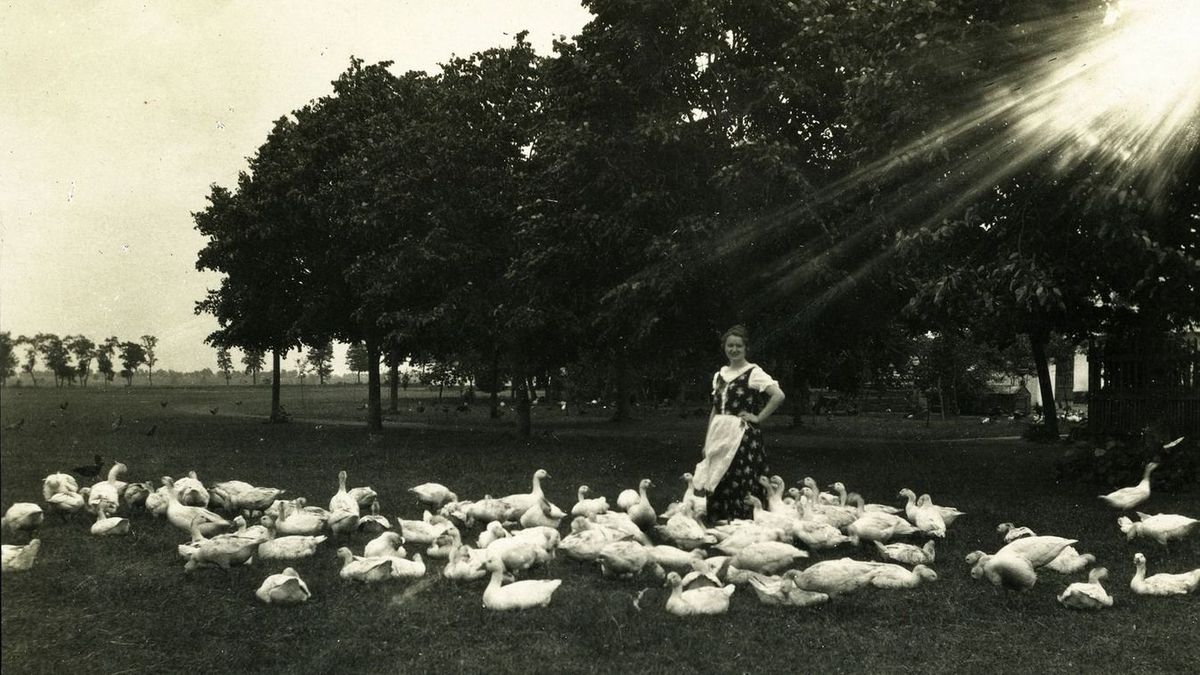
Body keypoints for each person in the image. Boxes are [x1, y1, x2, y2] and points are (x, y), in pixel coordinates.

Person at [692, 325, 786, 523]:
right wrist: (708, 441)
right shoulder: (720, 375)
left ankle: (744, 520)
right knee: (718, 473)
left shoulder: (753, 372)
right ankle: (719, 519)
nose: (734, 350)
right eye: (730, 345)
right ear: (724, 347)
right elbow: (716, 409)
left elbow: (778, 395)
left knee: (739, 474)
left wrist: (758, 417)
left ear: (746, 348)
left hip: (742, 435)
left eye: (738, 346)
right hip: (719, 432)